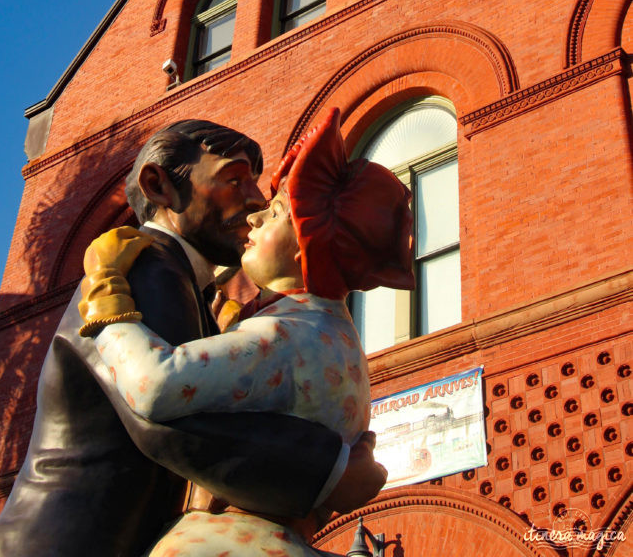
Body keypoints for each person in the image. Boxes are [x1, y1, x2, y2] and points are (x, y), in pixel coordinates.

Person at [0, 119, 384, 557]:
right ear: (160, 187)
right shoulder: (144, 267)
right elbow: (162, 420)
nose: (255, 201)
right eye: (234, 179)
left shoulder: (191, 288)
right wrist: (331, 471)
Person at [79, 108, 415, 556]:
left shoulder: (287, 331)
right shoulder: (325, 328)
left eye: (275, 213)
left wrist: (106, 293)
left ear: (305, 248)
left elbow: (154, 385)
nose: (255, 213)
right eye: (235, 181)